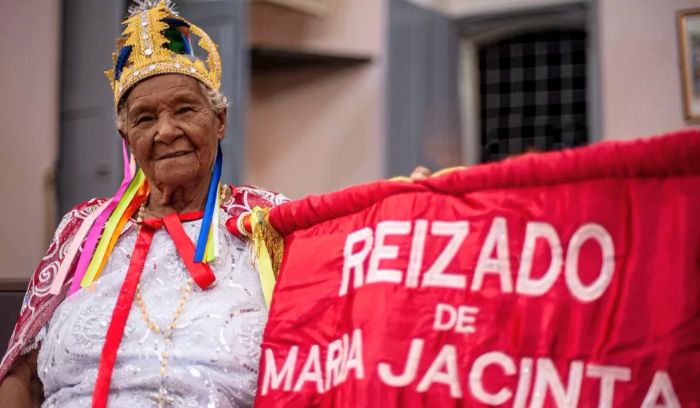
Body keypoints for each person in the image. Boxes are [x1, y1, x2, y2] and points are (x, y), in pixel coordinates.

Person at [0, 1, 287, 406]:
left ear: (219, 120)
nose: (166, 131)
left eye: (185, 109)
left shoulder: (265, 220)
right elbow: (20, 372)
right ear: (127, 137)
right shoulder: (83, 227)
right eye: (145, 118)